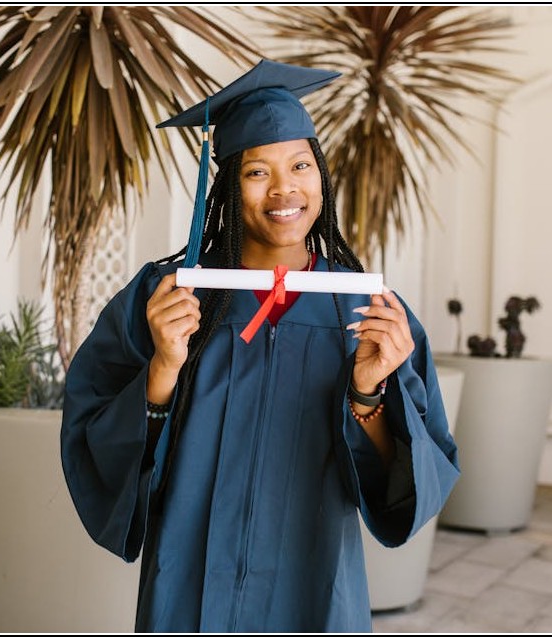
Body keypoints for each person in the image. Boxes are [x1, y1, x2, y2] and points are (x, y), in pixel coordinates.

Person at [61, 59, 459, 633]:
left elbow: (412, 477)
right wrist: (164, 368)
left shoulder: (367, 311)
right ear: (226, 185)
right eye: (256, 172)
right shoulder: (168, 296)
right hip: (189, 582)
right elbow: (92, 434)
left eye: (300, 165)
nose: (284, 189)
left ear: (321, 175)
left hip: (313, 583)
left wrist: (368, 390)